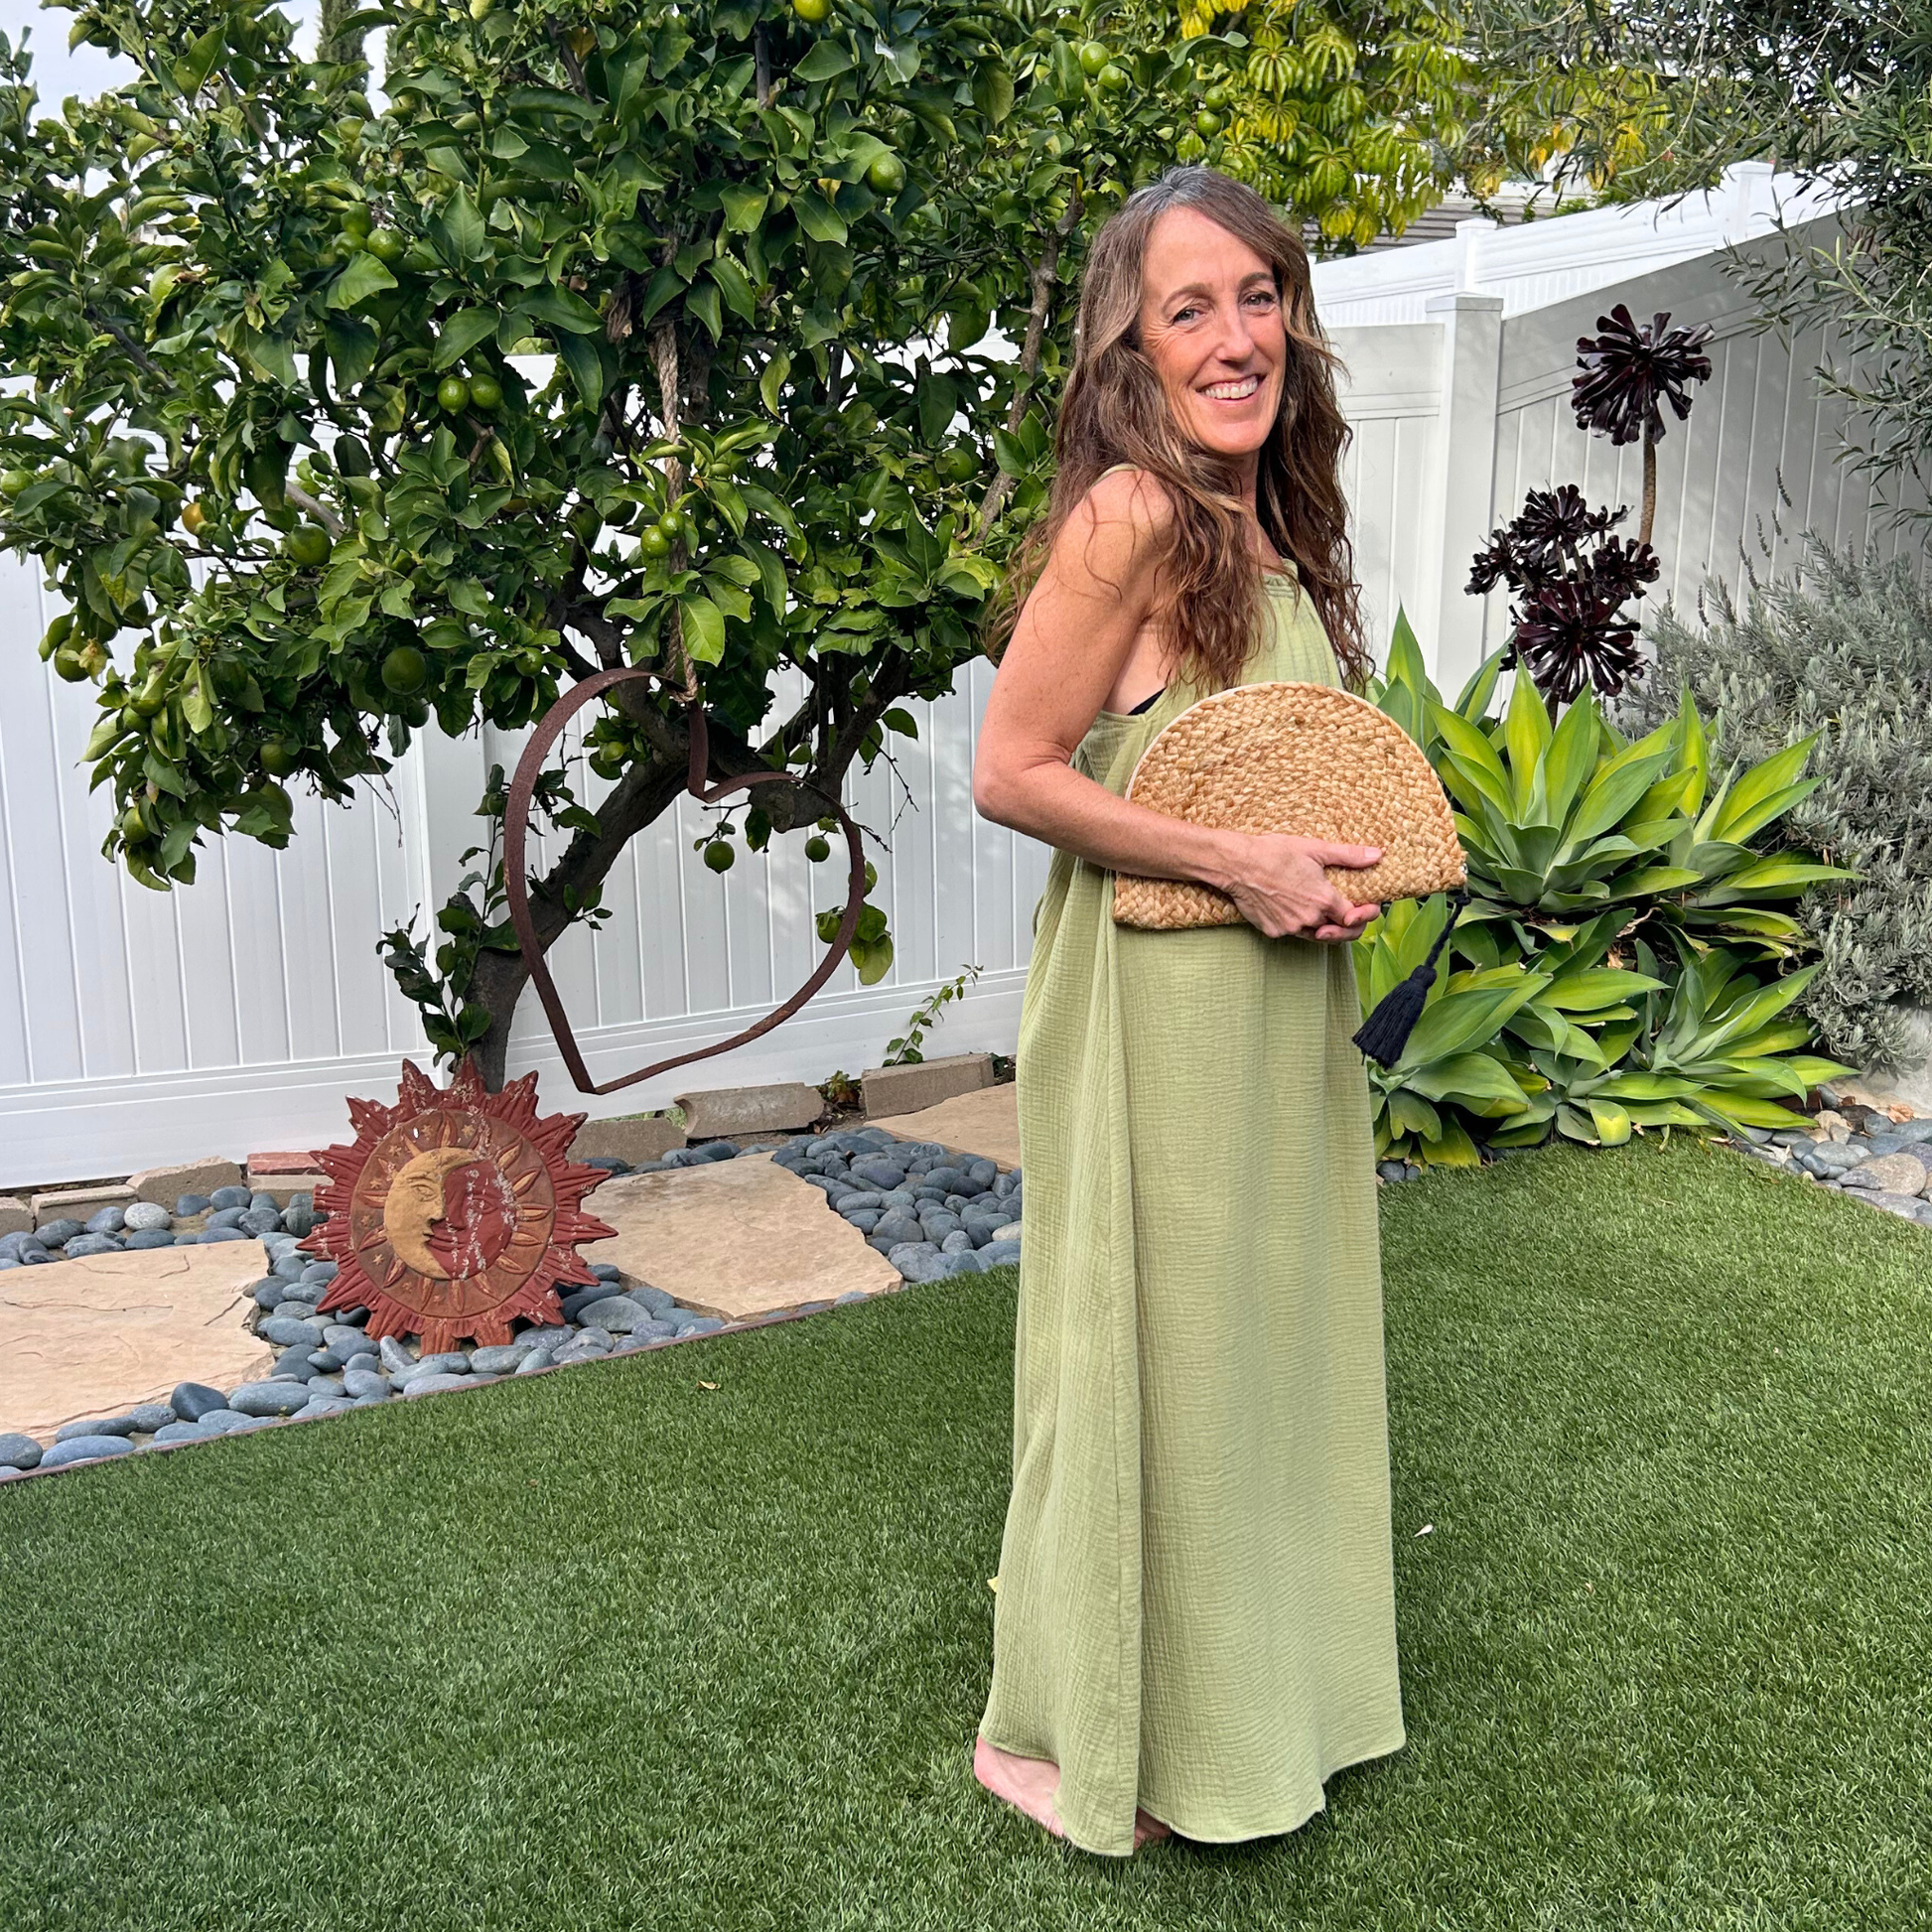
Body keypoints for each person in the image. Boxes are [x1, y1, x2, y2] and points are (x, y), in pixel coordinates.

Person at [968, 165, 1407, 1859]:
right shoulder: (1132, 519)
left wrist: (1315, 872)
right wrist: (1236, 857)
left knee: (1256, 1360)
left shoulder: (1266, 521)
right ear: (1128, 353)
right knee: (1147, 1359)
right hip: (1156, 1004)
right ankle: (1071, 1734)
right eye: (1189, 309)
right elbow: (1007, 771)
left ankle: (1255, 1706)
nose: (1237, 338)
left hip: (1276, 995)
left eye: (1258, 296)